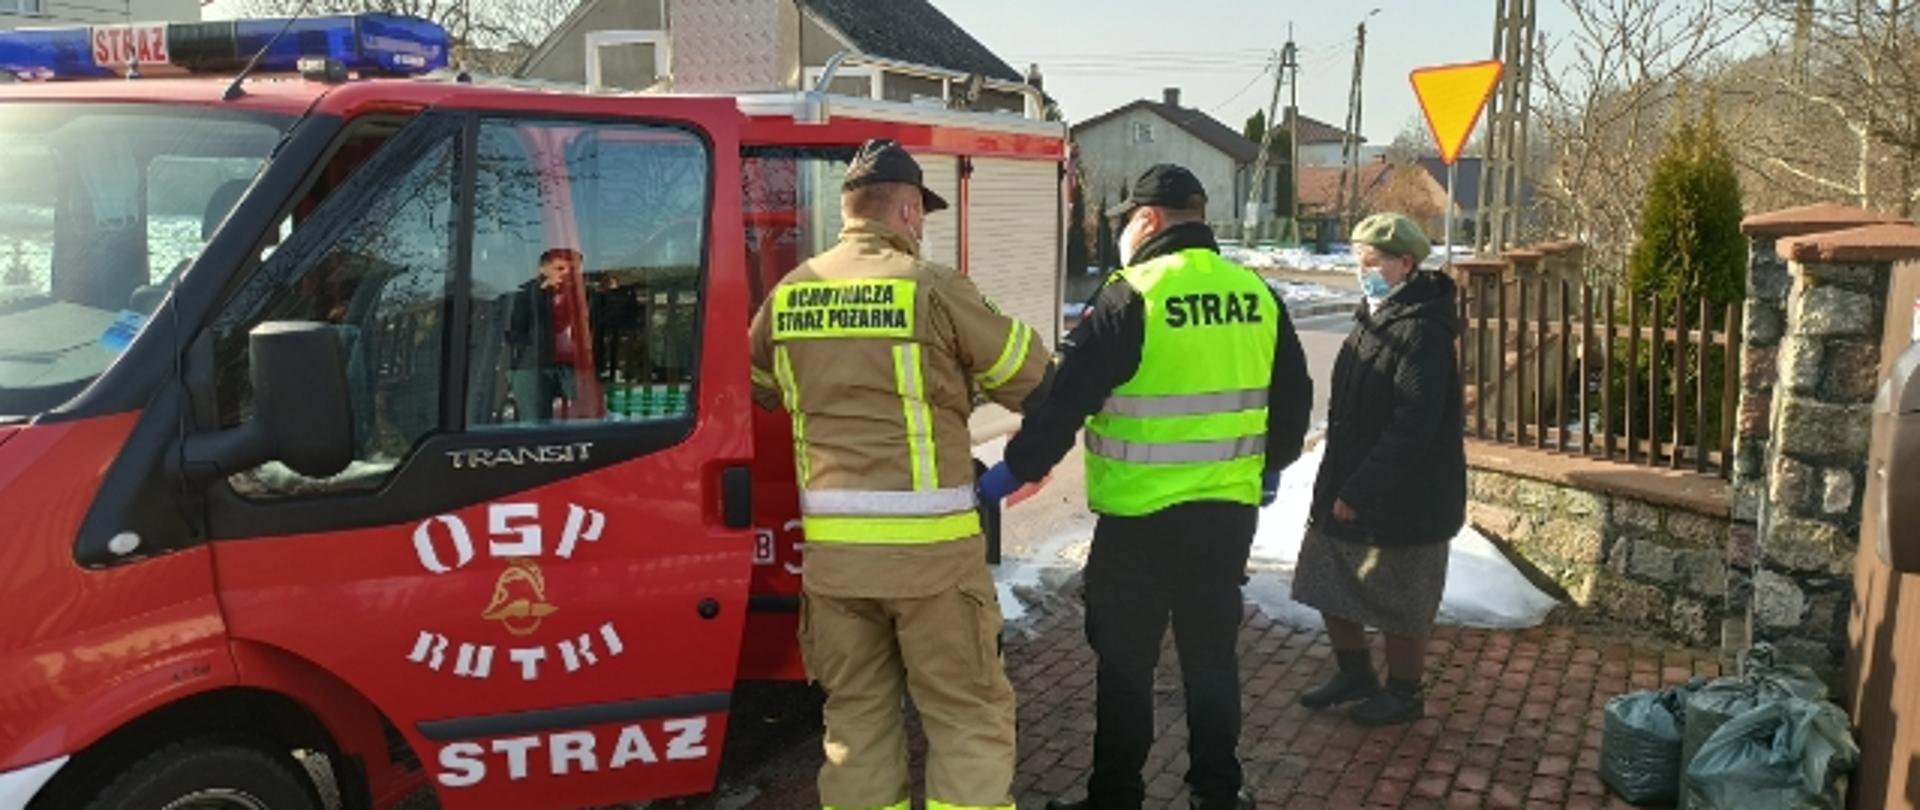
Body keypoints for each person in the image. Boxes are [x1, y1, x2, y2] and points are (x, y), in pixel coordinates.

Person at [979, 164, 1313, 810]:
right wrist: (1267, 467)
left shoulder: (1129, 296)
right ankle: (1218, 794)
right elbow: (1294, 402)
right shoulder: (1257, 294)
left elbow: (1061, 404)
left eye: (1128, 220)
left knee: (1126, 665)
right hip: (1225, 520)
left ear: (1149, 220)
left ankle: (1116, 798)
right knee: (1211, 657)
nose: (1125, 232)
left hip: (1139, 526)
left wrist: (1009, 474)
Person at [748, 139, 1051, 810]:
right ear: (909, 211)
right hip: (931, 562)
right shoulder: (933, 288)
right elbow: (1035, 381)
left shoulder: (790, 294)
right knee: (966, 716)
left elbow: (761, 386)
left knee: (855, 722)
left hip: (834, 565)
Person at [1292, 212, 1466, 727]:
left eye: (1370, 262)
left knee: (1401, 595)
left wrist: (1363, 489)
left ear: (1404, 264)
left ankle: (1406, 692)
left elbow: (1413, 425)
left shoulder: (1421, 329)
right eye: (1357, 260)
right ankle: (1354, 672)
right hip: (1350, 477)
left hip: (1407, 493)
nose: (1360, 270)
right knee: (1325, 573)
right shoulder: (1375, 313)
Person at [507, 247, 589, 423]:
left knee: (583, 420)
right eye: (560, 268)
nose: (567, 274)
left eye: (573, 269)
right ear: (542, 270)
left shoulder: (584, 296)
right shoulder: (525, 295)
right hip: (534, 365)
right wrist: (541, 292)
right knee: (534, 422)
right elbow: (513, 331)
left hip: (574, 366)